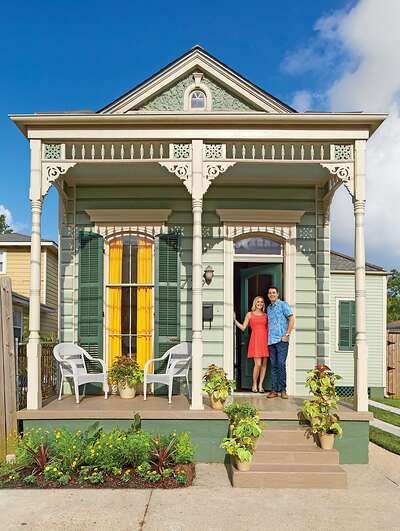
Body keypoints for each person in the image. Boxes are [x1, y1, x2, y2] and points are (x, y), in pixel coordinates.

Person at [235, 296, 269, 393]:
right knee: (257, 364)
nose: (260, 303)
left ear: (263, 304)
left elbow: (269, 329)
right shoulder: (249, 314)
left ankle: (260, 385)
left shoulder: (266, 315)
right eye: (258, 302)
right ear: (255, 303)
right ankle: (254, 384)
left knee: (264, 365)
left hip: (265, 340)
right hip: (255, 340)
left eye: (262, 302)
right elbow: (243, 327)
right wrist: (234, 320)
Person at [266, 287, 295, 399]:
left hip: (281, 340)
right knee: (273, 366)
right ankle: (274, 390)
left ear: (277, 294)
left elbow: (291, 319)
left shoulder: (283, 305)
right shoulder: (268, 308)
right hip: (271, 341)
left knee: (281, 364)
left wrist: (287, 334)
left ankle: (283, 390)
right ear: (268, 295)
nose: (272, 294)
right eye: (270, 293)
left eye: (274, 293)